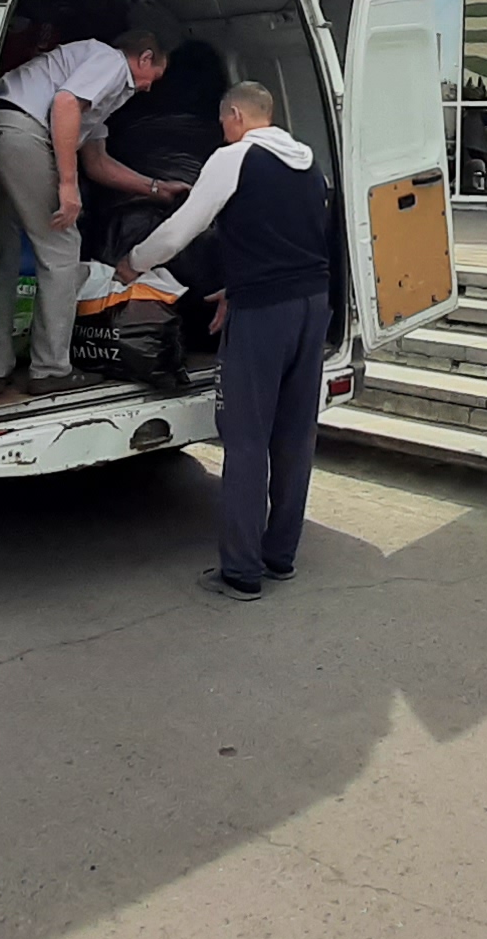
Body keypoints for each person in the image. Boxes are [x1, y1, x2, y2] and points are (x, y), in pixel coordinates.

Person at [119, 81, 331, 601]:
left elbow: (180, 231)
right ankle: (280, 556)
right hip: (312, 305)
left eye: (222, 121)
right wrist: (235, 287)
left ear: (236, 114)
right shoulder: (310, 165)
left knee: (245, 435)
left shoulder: (233, 158)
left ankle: (241, 572)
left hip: (264, 315)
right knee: (294, 433)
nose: (221, 130)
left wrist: (133, 263)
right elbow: (291, 239)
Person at [0, 29, 182, 399]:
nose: (149, 88)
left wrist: (156, 188)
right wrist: (67, 184)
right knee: (61, 248)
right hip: (26, 134)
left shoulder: (95, 89)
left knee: (4, 253)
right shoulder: (110, 61)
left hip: (1, 129)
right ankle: (50, 369)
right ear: (144, 58)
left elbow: (98, 163)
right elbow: (64, 104)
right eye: (154, 76)